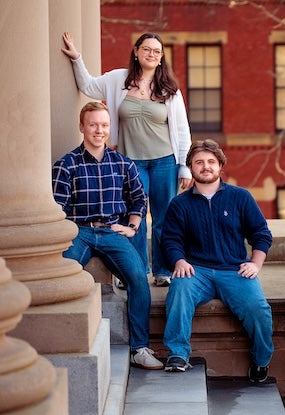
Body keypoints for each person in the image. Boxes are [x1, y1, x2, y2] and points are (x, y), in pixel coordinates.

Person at [61, 31, 192, 288]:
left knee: (164, 217)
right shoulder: (118, 79)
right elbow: (88, 86)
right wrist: (77, 59)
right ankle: (137, 270)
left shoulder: (169, 90)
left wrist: (184, 167)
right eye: (146, 49)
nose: (151, 54)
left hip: (165, 161)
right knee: (134, 215)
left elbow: (181, 130)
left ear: (161, 56)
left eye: (156, 51)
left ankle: (163, 270)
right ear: (136, 51)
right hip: (131, 162)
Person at [52, 101, 162, 370]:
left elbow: (139, 199)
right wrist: (71, 232)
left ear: (109, 128)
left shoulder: (123, 164)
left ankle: (140, 349)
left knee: (138, 279)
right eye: (93, 125)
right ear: (82, 127)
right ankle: (64, 342)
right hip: (79, 231)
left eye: (103, 125)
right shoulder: (66, 165)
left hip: (113, 232)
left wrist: (133, 226)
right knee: (64, 278)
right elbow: (57, 209)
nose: (99, 130)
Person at [161, 140, 274, 379]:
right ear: (190, 167)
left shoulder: (240, 197)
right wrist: (179, 261)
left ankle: (261, 360)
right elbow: (170, 241)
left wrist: (255, 263)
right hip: (196, 271)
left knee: (259, 309)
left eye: (211, 162)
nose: (206, 167)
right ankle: (178, 353)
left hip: (234, 270)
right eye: (199, 162)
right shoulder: (179, 204)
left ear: (220, 165)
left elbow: (261, 234)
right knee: (179, 291)